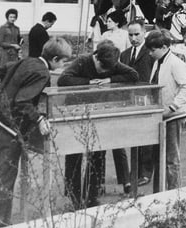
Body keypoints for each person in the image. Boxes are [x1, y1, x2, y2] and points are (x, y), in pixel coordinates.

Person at [0, 37, 72, 228]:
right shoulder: (42, 72)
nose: (64, 65)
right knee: (5, 174)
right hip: (9, 122)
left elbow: (5, 69)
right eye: (64, 61)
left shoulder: (30, 60)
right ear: (55, 59)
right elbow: (23, 102)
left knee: (5, 173)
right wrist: (39, 119)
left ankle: (0, 222)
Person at [57, 40, 138, 208]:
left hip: (98, 111)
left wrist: (110, 78)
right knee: (74, 153)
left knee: (98, 153)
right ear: (96, 58)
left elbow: (133, 75)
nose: (103, 72)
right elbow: (63, 80)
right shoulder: (82, 61)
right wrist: (88, 82)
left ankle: (92, 195)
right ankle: (74, 196)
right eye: (102, 69)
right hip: (76, 110)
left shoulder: (112, 62)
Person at [145, 30, 186, 191]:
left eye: (153, 50)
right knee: (160, 156)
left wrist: (172, 106)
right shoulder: (158, 61)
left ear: (165, 47)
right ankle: (159, 192)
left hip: (175, 114)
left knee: (171, 158)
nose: (150, 53)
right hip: (163, 114)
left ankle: (175, 193)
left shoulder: (175, 63)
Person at [120, 20, 155, 187]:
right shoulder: (125, 54)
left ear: (144, 33)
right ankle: (135, 171)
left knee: (146, 137)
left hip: (147, 99)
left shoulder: (150, 53)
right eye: (130, 34)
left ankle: (146, 173)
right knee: (134, 136)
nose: (133, 38)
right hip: (130, 100)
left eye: (136, 34)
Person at [0, 9, 22, 74]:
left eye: (14, 17)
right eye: (11, 17)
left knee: (13, 73)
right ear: (7, 17)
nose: (12, 19)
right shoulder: (3, 28)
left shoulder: (17, 28)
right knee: (4, 73)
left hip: (14, 54)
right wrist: (12, 45)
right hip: (6, 55)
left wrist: (20, 44)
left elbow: (18, 40)